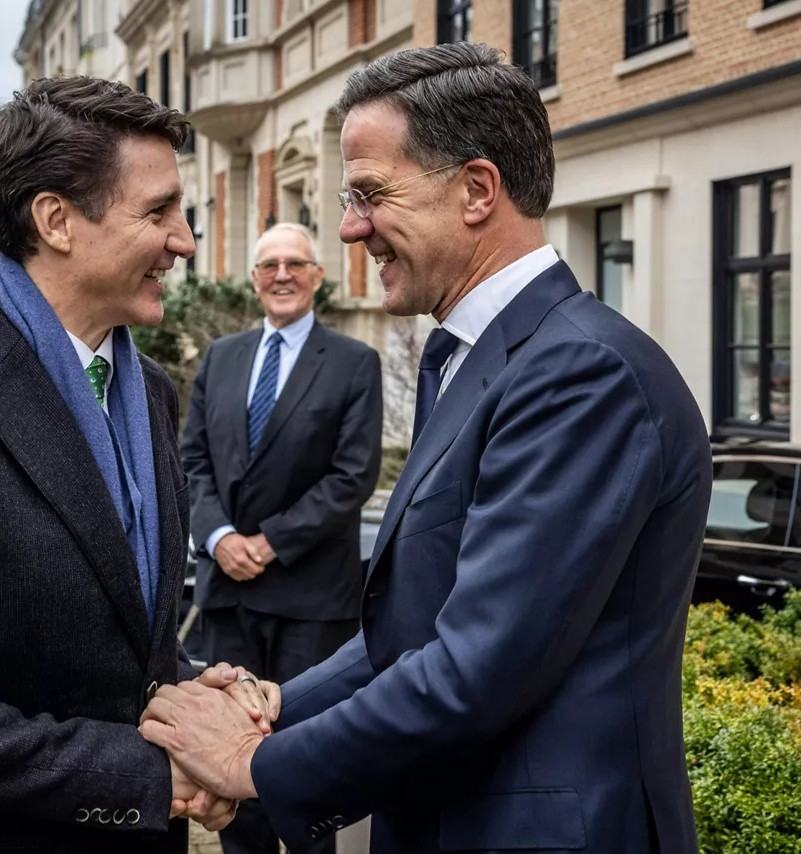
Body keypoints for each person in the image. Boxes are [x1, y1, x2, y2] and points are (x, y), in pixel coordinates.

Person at [140, 43, 713, 854]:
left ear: (477, 190)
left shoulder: (583, 373)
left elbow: (477, 669)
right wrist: (274, 702)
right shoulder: (476, 357)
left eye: (371, 195)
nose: (348, 228)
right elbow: (410, 635)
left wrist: (254, 762)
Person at [0, 76, 272, 853]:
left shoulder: (153, 394)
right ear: (56, 220)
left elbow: (116, 643)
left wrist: (202, 695)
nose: (186, 241)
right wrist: (150, 776)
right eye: (159, 211)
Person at [180, 222, 382, 854]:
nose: (283, 275)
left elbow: (352, 477)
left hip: (309, 598)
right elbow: (191, 464)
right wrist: (217, 537)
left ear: (319, 277)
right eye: (269, 265)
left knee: (302, 764)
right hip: (227, 599)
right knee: (231, 767)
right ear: (254, 280)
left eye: (296, 263)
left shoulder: (355, 363)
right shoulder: (221, 357)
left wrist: (266, 544)